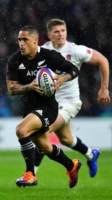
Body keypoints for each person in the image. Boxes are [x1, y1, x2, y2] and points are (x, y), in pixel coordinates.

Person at [6, 25, 82, 188]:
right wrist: (29, 87)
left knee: (21, 130)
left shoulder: (49, 56)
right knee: (44, 148)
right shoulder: (14, 60)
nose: (21, 43)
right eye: (19, 40)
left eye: (25, 40)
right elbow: (11, 89)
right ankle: (71, 165)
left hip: (47, 107)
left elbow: (73, 69)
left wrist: (62, 79)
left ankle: (30, 175)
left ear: (35, 40)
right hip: (28, 108)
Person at [34, 18, 110, 177]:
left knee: (43, 132)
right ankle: (90, 154)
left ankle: (31, 174)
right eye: (56, 32)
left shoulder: (76, 51)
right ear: (49, 35)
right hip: (51, 103)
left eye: (63, 31)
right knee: (66, 139)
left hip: (70, 102)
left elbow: (103, 61)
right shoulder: (42, 51)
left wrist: (104, 89)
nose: (60, 34)